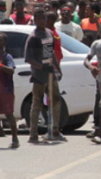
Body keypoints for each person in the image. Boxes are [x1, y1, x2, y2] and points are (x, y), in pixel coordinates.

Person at [25, 8, 66, 143]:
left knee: (56, 100)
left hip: (50, 72)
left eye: (44, 19)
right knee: (37, 102)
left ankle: (55, 130)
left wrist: (57, 68)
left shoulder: (49, 33)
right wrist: (41, 67)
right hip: (39, 75)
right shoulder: (33, 37)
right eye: (39, 19)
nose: (42, 21)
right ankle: (33, 133)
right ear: (35, 20)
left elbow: (51, 52)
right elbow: (29, 59)